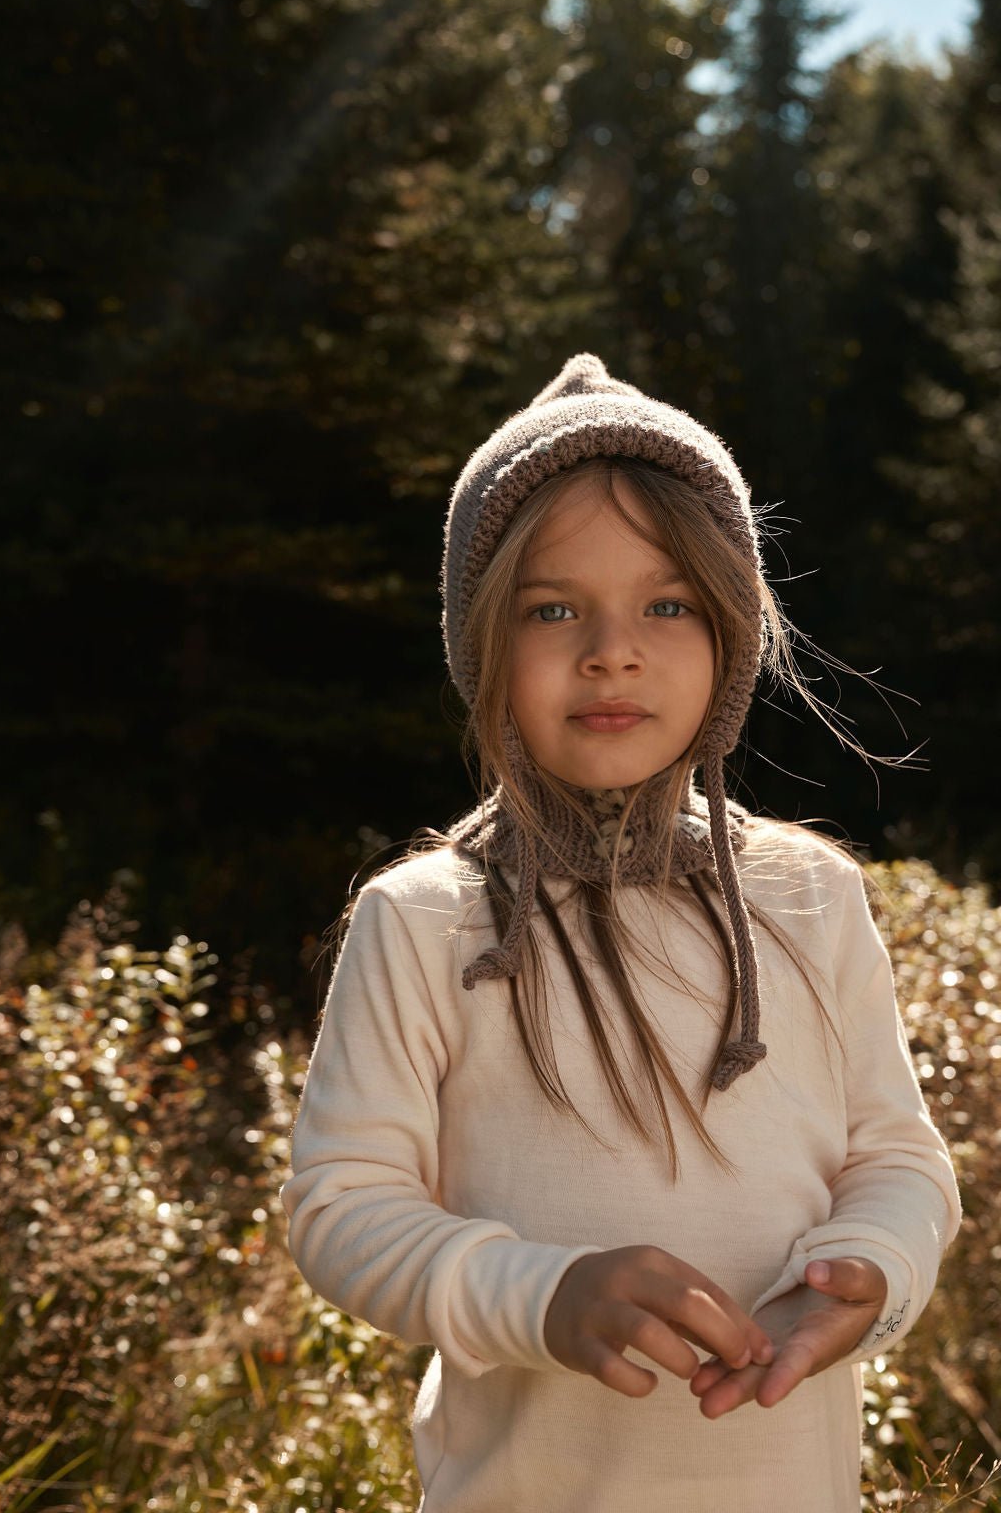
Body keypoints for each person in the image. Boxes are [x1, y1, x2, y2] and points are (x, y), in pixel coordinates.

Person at [281, 354, 960, 1512]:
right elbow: (344, 1209)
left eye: (666, 604)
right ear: (481, 645)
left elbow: (897, 1163)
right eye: (554, 608)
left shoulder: (807, 898)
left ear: (731, 638)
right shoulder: (425, 919)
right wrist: (538, 1295)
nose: (612, 650)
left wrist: (869, 1274)